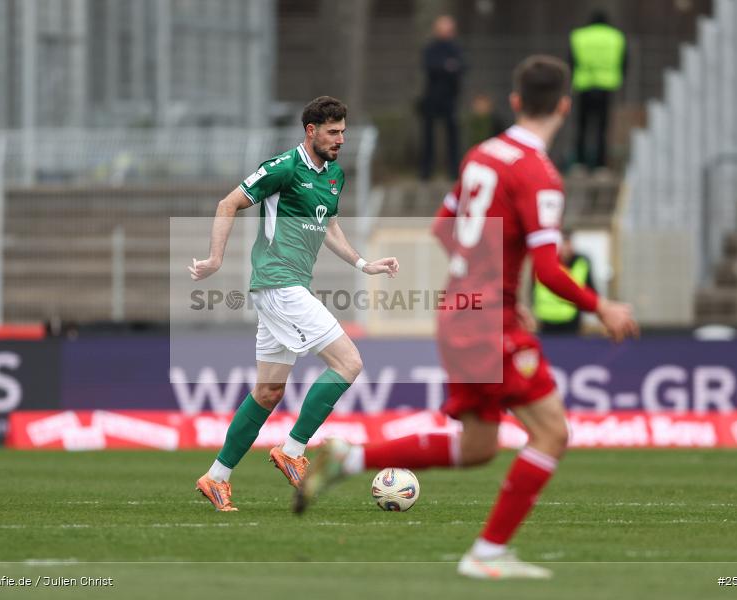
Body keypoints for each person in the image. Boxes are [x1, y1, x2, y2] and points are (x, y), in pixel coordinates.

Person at [295, 57, 638, 579]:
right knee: (551, 433)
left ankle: (351, 457)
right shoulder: (539, 173)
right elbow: (548, 269)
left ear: (516, 101)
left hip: (458, 311)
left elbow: (442, 227)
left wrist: (490, 280)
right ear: (565, 107)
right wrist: (602, 306)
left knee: (478, 445)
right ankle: (487, 553)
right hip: (487, 321)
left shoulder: (481, 155)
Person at [189, 96, 399, 511]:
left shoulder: (334, 175)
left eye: (343, 132)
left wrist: (363, 263)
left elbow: (330, 226)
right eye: (333, 132)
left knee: (268, 392)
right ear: (311, 131)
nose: (340, 139)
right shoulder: (283, 167)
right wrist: (214, 259)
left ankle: (216, 479)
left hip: (288, 286)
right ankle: (293, 450)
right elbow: (227, 203)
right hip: (278, 283)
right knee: (349, 363)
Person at [569, 10, 627, 169]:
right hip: (606, 86)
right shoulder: (616, 37)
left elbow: (571, 61)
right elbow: (624, 61)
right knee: (603, 128)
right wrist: (620, 78)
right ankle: (601, 165)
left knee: (582, 127)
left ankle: (579, 163)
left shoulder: (579, 36)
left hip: (584, 85)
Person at [419, 15, 465, 180]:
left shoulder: (456, 48)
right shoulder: (431, 48)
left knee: (453, 135)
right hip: (432, 98)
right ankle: (426, 171)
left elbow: (462, 67)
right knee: (428, 136)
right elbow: (431, 67)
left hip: (451, 98)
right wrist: (448, 67)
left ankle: (454, 170)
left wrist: (446, 67)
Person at [532, 229, 596, 333]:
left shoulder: (581, 263)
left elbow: (591, 290)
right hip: (545, 321)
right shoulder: (544, 262)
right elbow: (533, 288)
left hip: (571, 322)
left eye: (568, 243)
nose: (566, 248)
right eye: (563, 243)